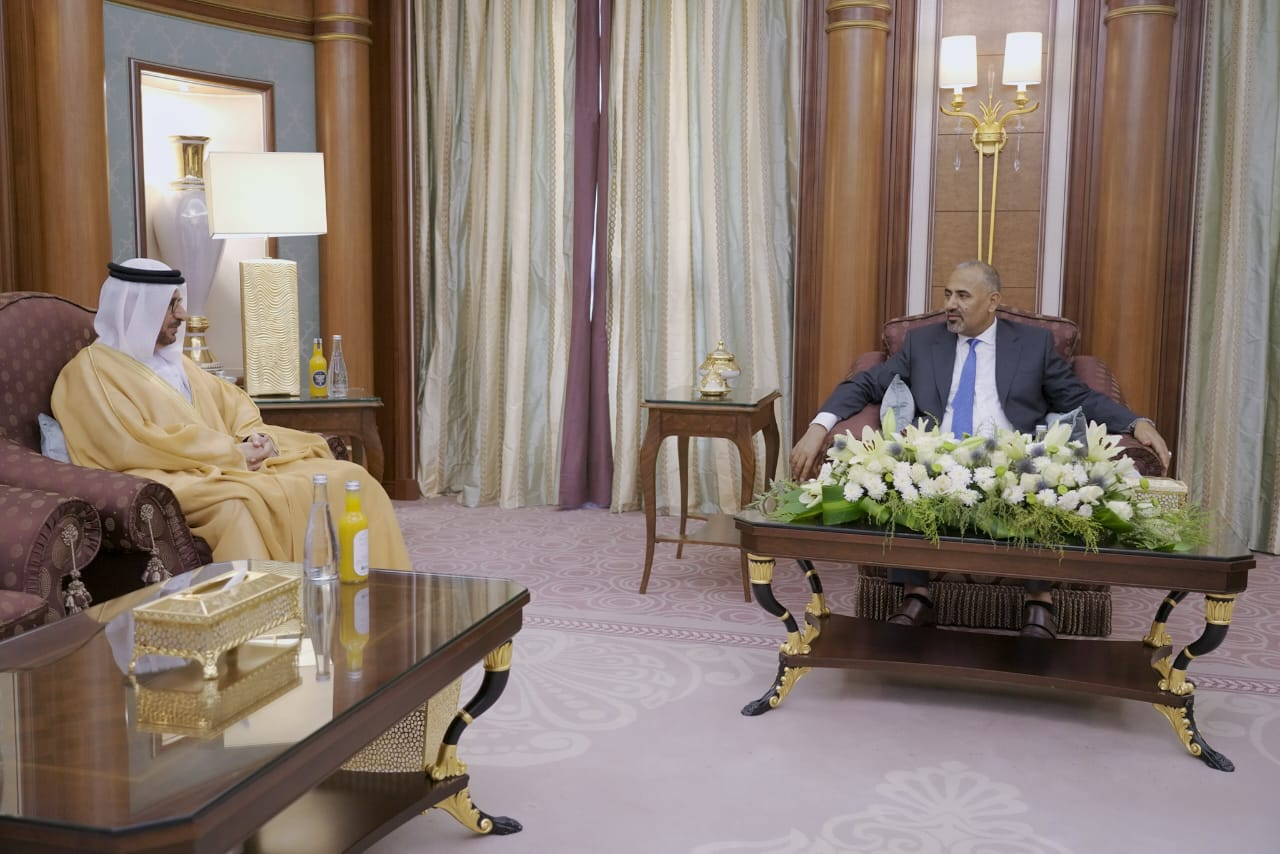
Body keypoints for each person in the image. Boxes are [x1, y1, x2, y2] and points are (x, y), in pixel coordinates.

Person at [789, 260, 1172, 638]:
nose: (950, 305)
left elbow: (1078, 397)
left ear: (993, 301)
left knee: (1047, 480)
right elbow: (865, 384)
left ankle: (1039, 602)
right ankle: (917, 595)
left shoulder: (1032, 345)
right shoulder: (923, 343)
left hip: (1011, 456)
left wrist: (1137, 423)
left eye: (962, 296)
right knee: (900, 472)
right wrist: (817, 427)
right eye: (947, 294)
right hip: (938, 455)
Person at [51, 259, 411, 571]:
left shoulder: (173, 363)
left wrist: (253, 438)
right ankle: (262, 624)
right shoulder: (91, 372)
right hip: (161, 475)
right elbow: (133, 443)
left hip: (219, 463)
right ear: (137, 308)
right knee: (243, 505)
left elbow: (232, 403)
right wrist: (232, 453)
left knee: (349, 477)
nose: (182, 315)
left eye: (179, 302)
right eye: (171, 305)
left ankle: (372, 597)